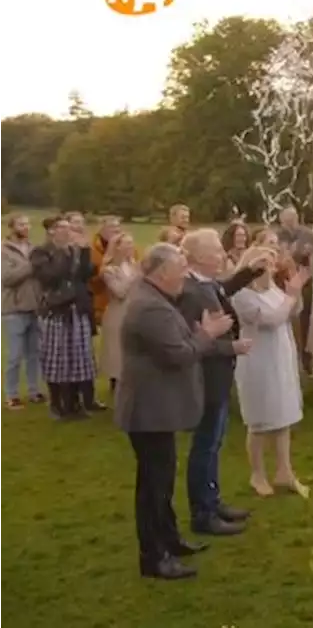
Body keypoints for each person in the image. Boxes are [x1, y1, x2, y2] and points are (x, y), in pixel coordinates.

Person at [115, 242, 237, 580]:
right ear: (161, 272)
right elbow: (179, 354)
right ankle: (154, 557)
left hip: (156, 409)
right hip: (148, 410)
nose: (185, 274)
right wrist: (208, 335)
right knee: (154, 486)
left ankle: (169, 541)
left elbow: (180, 342)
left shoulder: (156, 299)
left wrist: (199, 334)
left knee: (161, 481)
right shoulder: (150, 307)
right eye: (180, 268)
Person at [178, 229, 265, 536]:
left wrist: (252, 270)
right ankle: (202, 513)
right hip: (206, 379)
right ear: (198, 257)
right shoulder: (189, 291)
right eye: (216, 250)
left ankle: (213, 501)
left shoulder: (205, 283)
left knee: (213, 444)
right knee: (205, 445)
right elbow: (193, 341)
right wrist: (231, 347)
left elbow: (224, 288)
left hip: (218, 376)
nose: (221, 255)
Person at [230, 246, 310, 497]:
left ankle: (284, 470)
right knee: (260, 420)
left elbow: (292, 312)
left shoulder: (272, 289)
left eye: (272, 263)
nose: (270, 268)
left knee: (283, 413)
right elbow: (271, 319)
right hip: (257, 359)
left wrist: (294, 292)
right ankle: (257, 473)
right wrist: (292, 295)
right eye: (265, 263)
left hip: (280, 354)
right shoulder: (242, 295)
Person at [31, 214, 100, 417]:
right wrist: (64, 252)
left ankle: (74, 403)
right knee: (56, 360)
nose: (68, 230)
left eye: (68, 227)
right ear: (51, 231)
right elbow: (51, 276)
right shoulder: (41, 252)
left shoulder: (74, 250)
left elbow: (86, 275)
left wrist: (85, 250)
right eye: (62, 227)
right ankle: (56, 404)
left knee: (77, 359)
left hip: (76, 308)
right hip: (56, 310)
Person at [0, 214, 44, 409]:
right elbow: (7, 278)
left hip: (35, 307)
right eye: (21, 224)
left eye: (27, 224)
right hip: (14, 309)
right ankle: (12, 394)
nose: (25, 227)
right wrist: (30, 266)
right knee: (14, 355)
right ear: (11, 227)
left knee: (34, 353)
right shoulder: (3, 251)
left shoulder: (34, 249)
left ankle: (35, 391)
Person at [100, 234, 141, 398]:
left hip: (134, 312)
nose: (131, 247)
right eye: (127, 244)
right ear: (117, 247)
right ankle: (117, 386)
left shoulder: (132, 265)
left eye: (132, 243)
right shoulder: (109, 270)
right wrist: (135, 276)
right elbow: (120, 291)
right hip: (117, 314)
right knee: (117, 352)